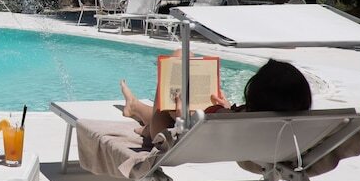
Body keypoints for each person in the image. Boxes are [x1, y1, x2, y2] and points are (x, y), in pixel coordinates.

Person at [120, 58, 312, 144]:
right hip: (218, 139)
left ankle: (141, 118)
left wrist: (181, 114)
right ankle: (136, 110)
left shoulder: (228, 119)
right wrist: (228, 109)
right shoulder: (289, 129)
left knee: (177, 60)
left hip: (176, 140)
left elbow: (183, 125)